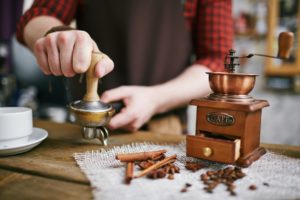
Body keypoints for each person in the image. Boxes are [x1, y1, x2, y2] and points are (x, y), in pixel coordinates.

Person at [16, 0, 233, 134]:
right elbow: (35, 17)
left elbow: (217, 63)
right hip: (85, 128)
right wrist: (55, 34)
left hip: (165, 128)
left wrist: (155, 99)